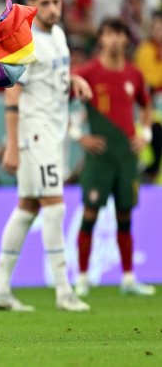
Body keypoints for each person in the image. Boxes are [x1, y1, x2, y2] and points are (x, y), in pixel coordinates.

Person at [0, 0, 92, 312]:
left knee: (28, 207)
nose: (52, 8)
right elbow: (12, 92)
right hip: (35, 134)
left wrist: (73, 80)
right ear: (32, 5)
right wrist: (12, 146)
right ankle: (63, 291)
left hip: (55, 132)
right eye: (44, 2)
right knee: (54, 206)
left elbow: (55, 75)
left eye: (56, 1)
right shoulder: (26, 41)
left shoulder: (58, 36)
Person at [73, 18, 156, 297]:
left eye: (118, 34)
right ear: (100, 39)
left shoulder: (134, 74)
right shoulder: (87, 72)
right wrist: (79, 135)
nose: (113, 39)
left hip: (126, 157)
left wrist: (145, 133)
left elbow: (146, 107)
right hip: (99, 158)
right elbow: (64, 105)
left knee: (125, 214)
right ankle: (82, 278)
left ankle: (129, 278)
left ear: (125, 39)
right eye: (108, 34)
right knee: (90, 213)